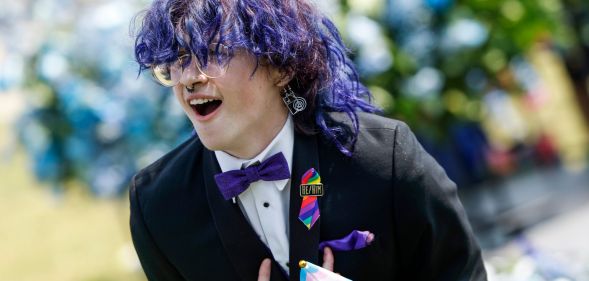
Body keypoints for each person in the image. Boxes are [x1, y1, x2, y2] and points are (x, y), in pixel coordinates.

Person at [128, 0, 487, 280]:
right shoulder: (157, 205)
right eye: (177, 59)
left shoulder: (384, 159)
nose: (189, 78)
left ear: (281, 65)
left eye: (215, 53)